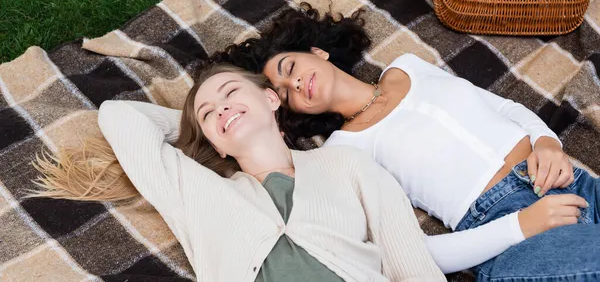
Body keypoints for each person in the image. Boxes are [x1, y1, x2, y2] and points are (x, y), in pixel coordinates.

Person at [216, 3, 600, 280]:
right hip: (507, 234)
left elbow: (508, 108)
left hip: (567, 182)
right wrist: (518, 226)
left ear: (317, 52)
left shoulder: (407, 66)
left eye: (290, 69)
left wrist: (548, 142)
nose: (294, 84)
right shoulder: (342, 152)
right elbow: (406, 251)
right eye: (285, 93)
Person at [29, 63, 446, 282]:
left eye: (231, 95)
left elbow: (413, 268)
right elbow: (119, 117)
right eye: (209, 112)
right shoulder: (198, 190)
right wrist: (200, 128)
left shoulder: (345, 163)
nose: (222, 107)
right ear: (213, 144)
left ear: (270, 98)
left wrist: (214, 121)